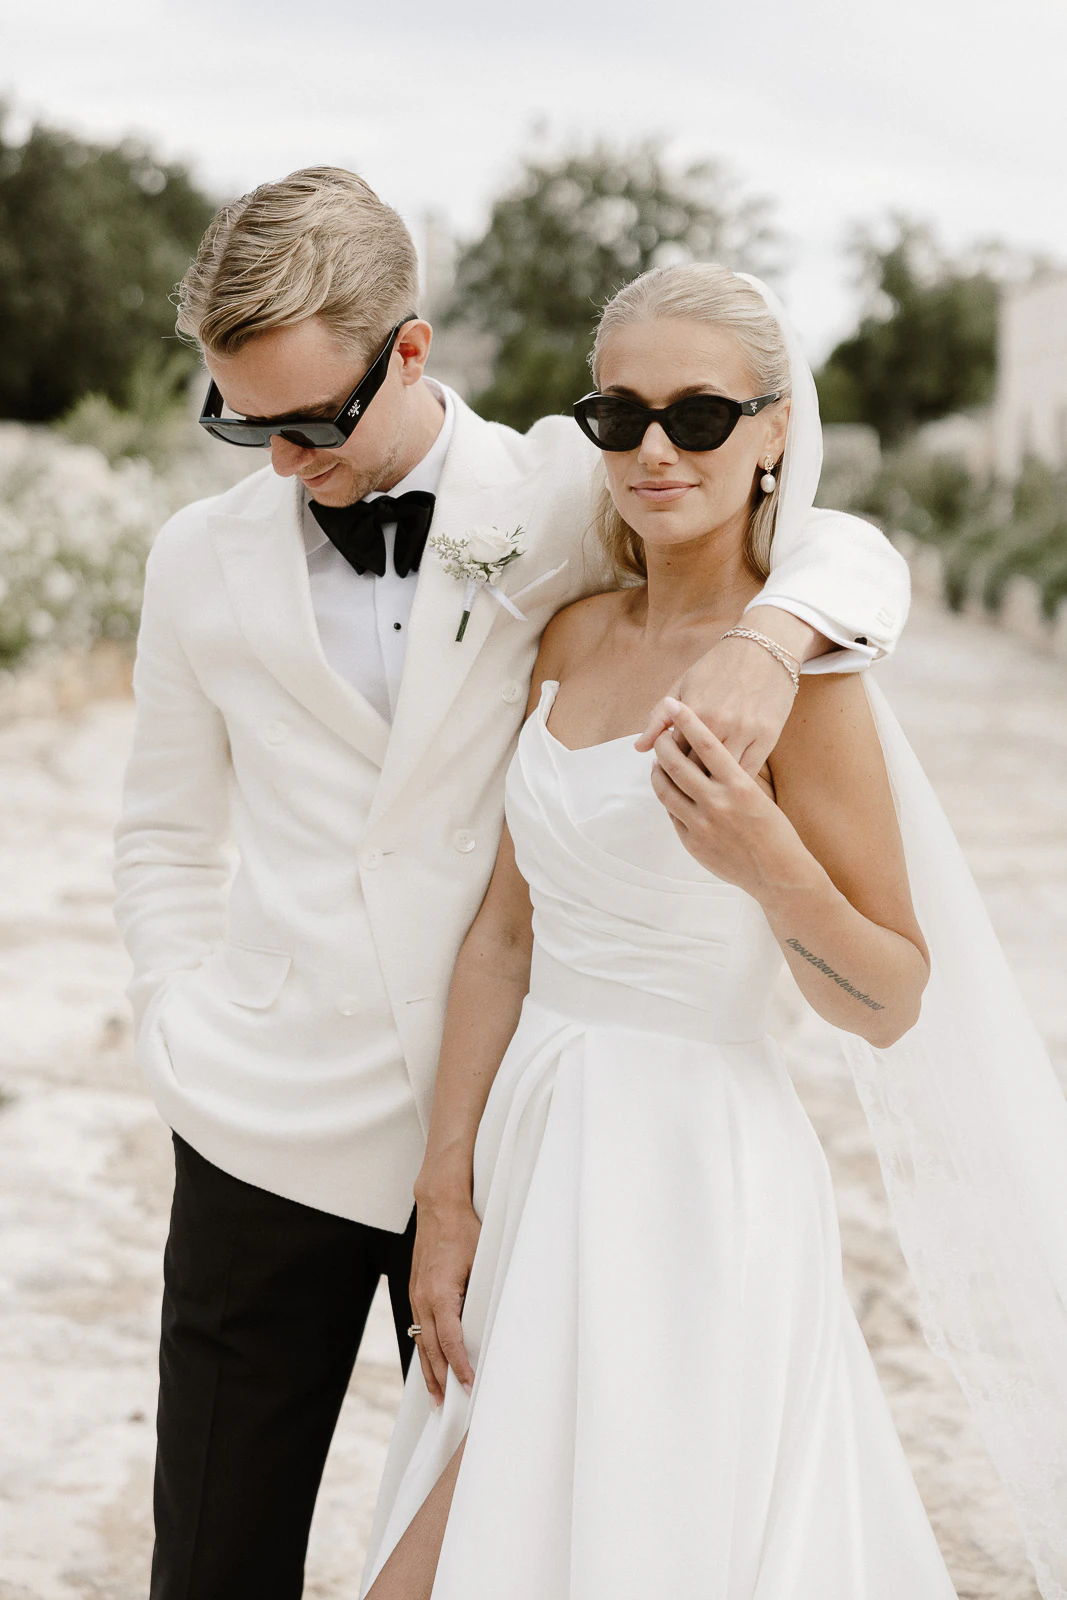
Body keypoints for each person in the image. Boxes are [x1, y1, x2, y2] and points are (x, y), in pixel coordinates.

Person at [112, 169, 912, 1599]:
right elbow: (162, 835)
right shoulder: (195, 559)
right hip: (263, 1124)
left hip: (501, 1145)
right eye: (244, 424)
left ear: (408, 351)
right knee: (211, 1559)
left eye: (312, 423)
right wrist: (180, 1030)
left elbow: (815, 529)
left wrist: (777, 634)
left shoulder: (558, 483)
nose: (281, 464)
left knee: (527, 1539)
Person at [358, 265, 1067, 1600]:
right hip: (539, 1140)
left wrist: (769, 865)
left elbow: (889, 998)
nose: (653, 451)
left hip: (689, 1177)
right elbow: (502, 938)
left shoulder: (812, 681)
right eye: (617, 415)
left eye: (697, 415)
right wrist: (443, 1197)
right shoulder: (565, 631)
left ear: (772, 430)